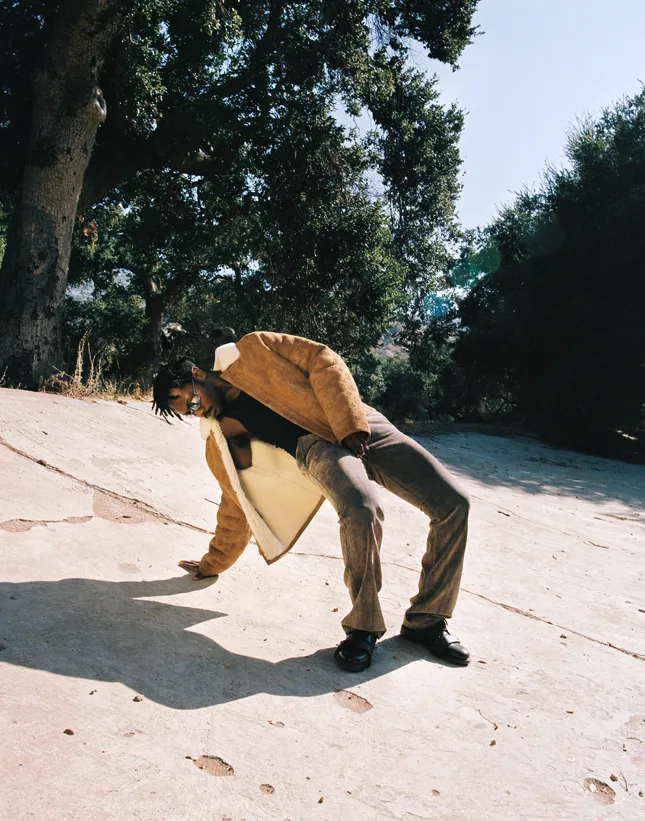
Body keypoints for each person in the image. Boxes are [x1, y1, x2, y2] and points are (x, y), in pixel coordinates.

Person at [152, 331, 470, 671]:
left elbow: (323, 360)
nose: (198, 413)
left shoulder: (255, 349)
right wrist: (213, 562)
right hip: (316, 448)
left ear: (197, 375)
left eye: (192, 403)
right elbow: (238, 500)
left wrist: (348, 424)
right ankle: (363, 627)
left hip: (359, 421)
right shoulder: (223, 436)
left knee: (454, 503)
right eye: (189, 413)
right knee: (361, 508)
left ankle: (427, 620)